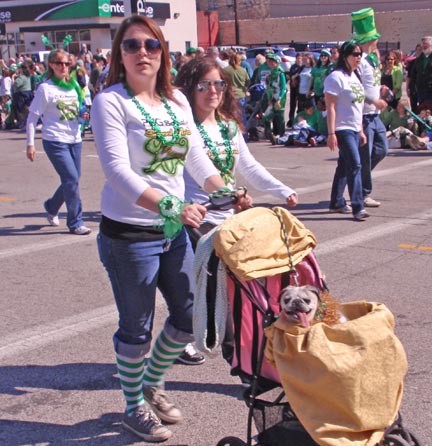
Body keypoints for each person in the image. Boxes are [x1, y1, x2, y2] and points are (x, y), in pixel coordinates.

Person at [90, 15, 250, 443]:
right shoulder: (111, 101)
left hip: (172, 231)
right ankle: (132, 408)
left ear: (163, 52)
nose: (142, 53)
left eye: (151, 45)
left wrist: (228, 191)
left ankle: (151, 384)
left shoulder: (178, 100)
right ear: (119, 55)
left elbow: (198, 162)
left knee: (187, 317)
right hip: (128, 235)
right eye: (132, 46)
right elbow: (116, 170)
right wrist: (171, 205)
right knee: (136, 327)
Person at [175, 56, 297, 368]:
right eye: (204, 84)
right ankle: (242, 364)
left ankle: (224, 350)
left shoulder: (228, 128)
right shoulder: (184, 130)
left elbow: (249, 166)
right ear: (190, 88)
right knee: (214, 295)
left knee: (233, 291)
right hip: (197, 223)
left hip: (230, 221)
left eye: (218, 83)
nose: (213, 90)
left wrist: (282, 190)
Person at [25, 49, 91, 235]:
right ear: (51, 65)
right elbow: (32, 118)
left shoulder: (74, 86)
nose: (63, 67)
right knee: (71, 179)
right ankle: (75, 222)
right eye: (59, 63)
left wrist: (82, 115)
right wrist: (30, 144)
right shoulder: (46, 88)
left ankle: (51, 206)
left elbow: (78, 110)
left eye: (67, 64)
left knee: (73, 180)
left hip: (74, 139)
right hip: (54, 140)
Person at [324, 40, 368, 221]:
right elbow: (331, 107)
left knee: (344, 166)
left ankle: (336, 202)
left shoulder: (354, 76)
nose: (359, 58)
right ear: (345, 56)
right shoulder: (336, 77)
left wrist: (361, 130)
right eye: (355, 54)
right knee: (355, 165)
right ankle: (358, 206)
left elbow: (357, 106)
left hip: (355, 128)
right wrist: (331, 133)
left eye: (360, 54)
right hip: (342, 129)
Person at [352, 7, 389, 209]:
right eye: (374, 38)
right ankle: (363, 193)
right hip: (364, 115)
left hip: (375, 115)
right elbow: (355, 88)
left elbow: (371, 84)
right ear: (368, 41)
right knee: (365, 156)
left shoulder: (373, 60)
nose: (377, 40)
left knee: (382, 149)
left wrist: (382, 90)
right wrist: (372, 100)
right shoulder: (360, 61)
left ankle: (360, 178)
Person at [410, 36, 432, 113]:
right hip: (422, 92)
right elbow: (414, 74)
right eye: (423, 44)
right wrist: (413, 87)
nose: (423, 46)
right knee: (423, 112)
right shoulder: (420, 58)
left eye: (426, 43)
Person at [224, 52, 250, 137]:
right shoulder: (243, 70)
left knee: (230, 116)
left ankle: (232, 135)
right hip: (241, 95)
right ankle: (244, 136)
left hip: (230, 95)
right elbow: (248, 82)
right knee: (242, 117)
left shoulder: (225, 70)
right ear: (239, 61)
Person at [262, 52, 287, 140]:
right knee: (267, 116)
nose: (271, 63)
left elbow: (283, 87)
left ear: (277, 62)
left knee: (279, 116)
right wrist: (269, 98)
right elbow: (269, 87)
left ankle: (281, 134)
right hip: (272, 97)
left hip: (279, 98)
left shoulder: (280, 73)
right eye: (269, 61)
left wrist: (279, 99)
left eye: (273, 62)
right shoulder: (271, 73)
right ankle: (271, 133)